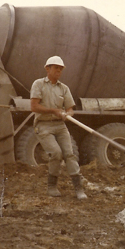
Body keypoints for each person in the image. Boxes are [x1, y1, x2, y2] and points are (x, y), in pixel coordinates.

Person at [30, 56, 87, 200]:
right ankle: (52, 187)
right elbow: (34, 106)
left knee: (70, 154)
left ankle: (79, 189)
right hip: (43, 125)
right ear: (47, 68)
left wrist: (67, 114)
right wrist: (54, 111)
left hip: (60, 126)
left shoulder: (64, 88)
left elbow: (70, 109)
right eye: (56, 68)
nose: (59, 71)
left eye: (61, 69)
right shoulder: (38, 84)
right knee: (56, 153)